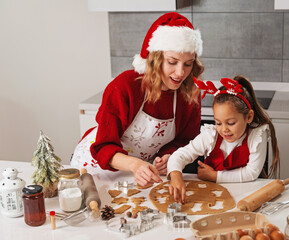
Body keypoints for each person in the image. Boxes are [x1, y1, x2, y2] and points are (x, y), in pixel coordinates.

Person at [71, 12, 204, 186]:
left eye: (188, 64)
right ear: (155, 59)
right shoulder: (126, 86)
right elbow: (103, 146)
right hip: (95, 168)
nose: (180, 73)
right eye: (172, 62)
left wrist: (169, 156)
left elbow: (185, 140)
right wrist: (134, 164)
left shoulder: (189, 94)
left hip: (140, 172)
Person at [167, 75, 280, 203]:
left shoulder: (256, 136)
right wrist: (176, 176)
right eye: (218, 123)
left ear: (249, 117)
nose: (224, 129)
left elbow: (251, 172)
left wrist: (215, 176)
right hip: (210, 197)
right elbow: (179, 156)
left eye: (231, 123)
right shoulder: (211, 136)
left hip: (245, 196)